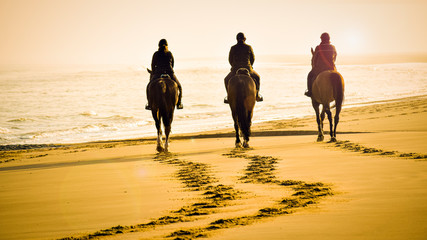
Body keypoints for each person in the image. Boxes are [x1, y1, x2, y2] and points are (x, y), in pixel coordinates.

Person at [224, 32, 263, 103]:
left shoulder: (233, 48)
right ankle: (257, 96)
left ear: (236, 39)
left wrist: (233, 67)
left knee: (226, 80)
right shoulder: (249, 47)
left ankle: (228, 97)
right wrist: (250, 66)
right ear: (244, 39)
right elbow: (252, 59)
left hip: (235, 70)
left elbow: (230, 59)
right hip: (248, 69)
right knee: (257, 77)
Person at [145, 39, 183, 110]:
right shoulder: (169, 53)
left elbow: (153, 65)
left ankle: (149, 104)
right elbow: (172, 64)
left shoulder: (156, 54)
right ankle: (179, 103)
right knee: (179, 87)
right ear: (167, 45)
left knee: (149, 86)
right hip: (169, 73)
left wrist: (153, 72)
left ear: (158, 46)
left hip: (158, 73)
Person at [305, 32, 337, 97]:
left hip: (320, 69)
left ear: (321, 39)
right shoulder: (333, 47)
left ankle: (310, 92)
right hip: (331, 68)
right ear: (328, 39)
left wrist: (314, 65)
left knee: (310, 75)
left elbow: (314, 59)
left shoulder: (318, 48)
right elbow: (335, 57)